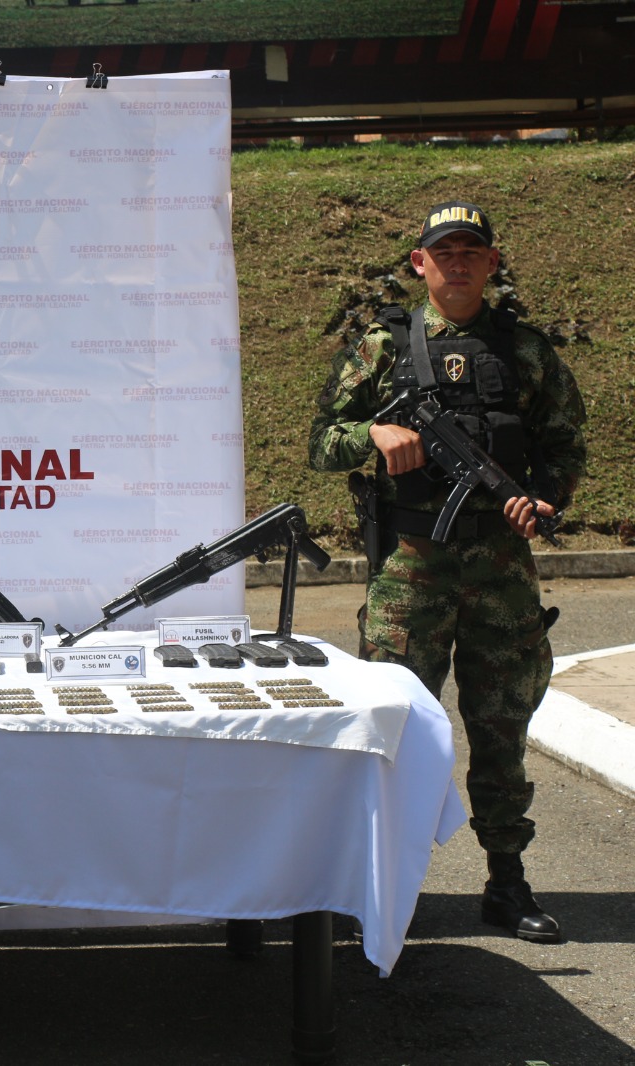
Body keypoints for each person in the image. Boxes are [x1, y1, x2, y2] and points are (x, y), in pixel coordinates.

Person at [309, 201, 587, 944]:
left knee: (501, 726)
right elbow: (323, 441)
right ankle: (371, 883)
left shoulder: (525, 351)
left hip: (501, 567)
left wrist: (545, 498)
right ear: (420, 263)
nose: (457, 263)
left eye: (471, 251)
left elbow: (565, 444)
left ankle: (507, 881)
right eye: (444, 252)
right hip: (411, 570)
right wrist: (373, 433)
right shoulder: (383, 347)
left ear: (491, 263)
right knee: (389, 729)